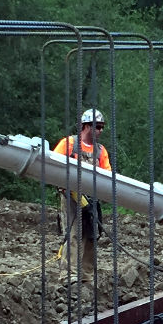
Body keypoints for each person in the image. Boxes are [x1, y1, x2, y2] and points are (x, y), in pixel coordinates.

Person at [53, 108, 111, 279]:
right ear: (86, 126)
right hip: (71, 197)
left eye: (102, 127)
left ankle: (86, 275)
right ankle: (68, 275)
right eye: (97, 127)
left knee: (92, 234)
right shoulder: (69, 144)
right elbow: (53, 167)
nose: (100, 130)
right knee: (74, 234)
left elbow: (107, 175)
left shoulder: (100, 151)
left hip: (91, 199)